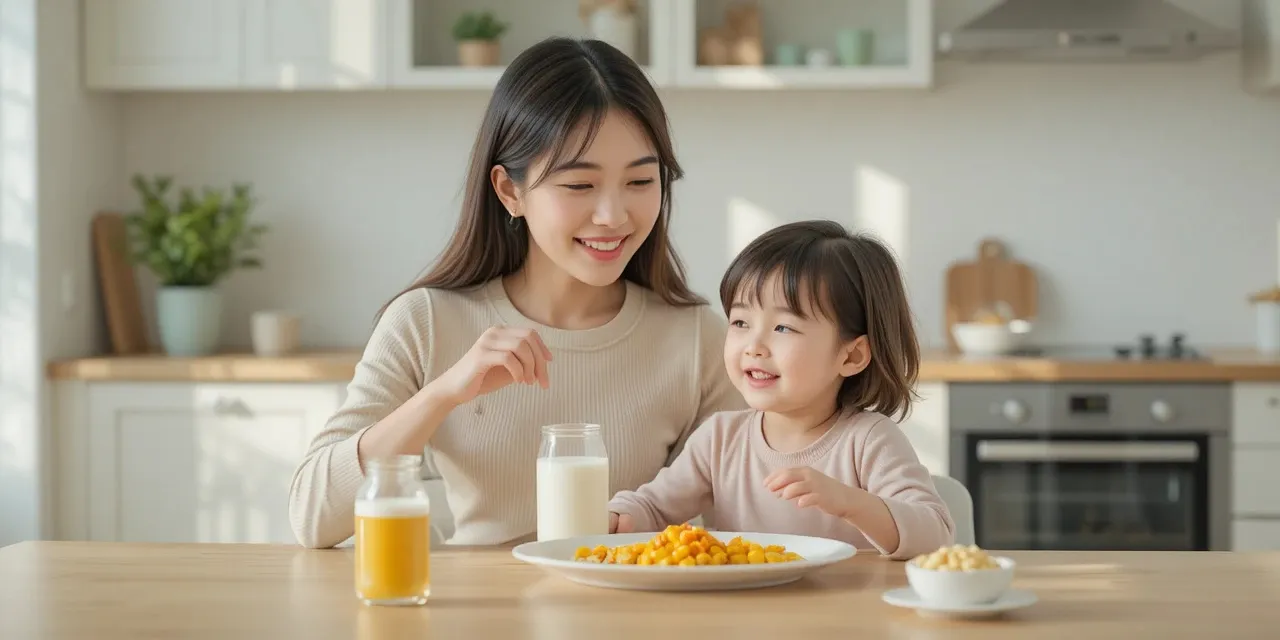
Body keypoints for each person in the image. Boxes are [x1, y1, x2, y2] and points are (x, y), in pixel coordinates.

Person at [288, 37, 745, 549]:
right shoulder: (427, 321)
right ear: (510, 191)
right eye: (578, 186)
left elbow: (748, 525)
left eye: (640, 182)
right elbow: (313, 518)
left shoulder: (697, 339)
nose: (614, 215)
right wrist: (443, 394)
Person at [606, 220, 955, 560]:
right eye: (741, 322)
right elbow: (652, 507)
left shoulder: (869, 441)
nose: (754, 346)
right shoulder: (719, 439)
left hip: (846, 615)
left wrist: (850, 502)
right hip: (745, 614)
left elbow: (936, 535)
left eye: (783, 327)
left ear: (852, 355)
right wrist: (617, 518)